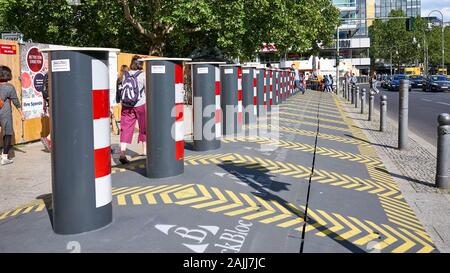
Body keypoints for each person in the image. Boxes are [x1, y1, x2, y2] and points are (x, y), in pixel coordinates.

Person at [117, 56, 147, 164]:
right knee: (144, 127)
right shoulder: (143, 75)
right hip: (140, 104)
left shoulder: (125, 74)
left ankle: (122, 153)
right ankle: (144, 150)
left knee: (125, 129)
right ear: (141, 64)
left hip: (126, 105)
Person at [0, 65, 24, 165]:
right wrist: (21, 114)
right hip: (5, 113)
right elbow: (15, 102)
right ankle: (4, 157)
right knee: (7, 133)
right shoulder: (9, 87)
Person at [40, 70, 51, 152]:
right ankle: (48, 139)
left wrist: (45, 102)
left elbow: (43, 90)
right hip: (55, 102)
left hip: (49, 102)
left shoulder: (46, 75)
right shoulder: (54, 74)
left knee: (55, 123)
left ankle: (49, 140)